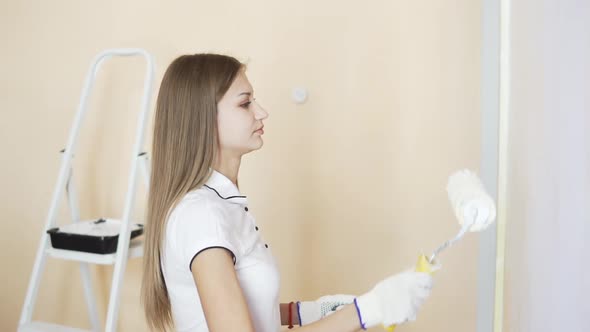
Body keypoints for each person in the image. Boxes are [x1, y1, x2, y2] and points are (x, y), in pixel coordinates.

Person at [141, 53, 434, 332]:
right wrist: (366, 311)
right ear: (202, 119)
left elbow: (243, 306)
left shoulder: (222, 204)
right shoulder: (202, 215)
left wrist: (312, 311)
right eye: (245, 104)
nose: (262, 112)